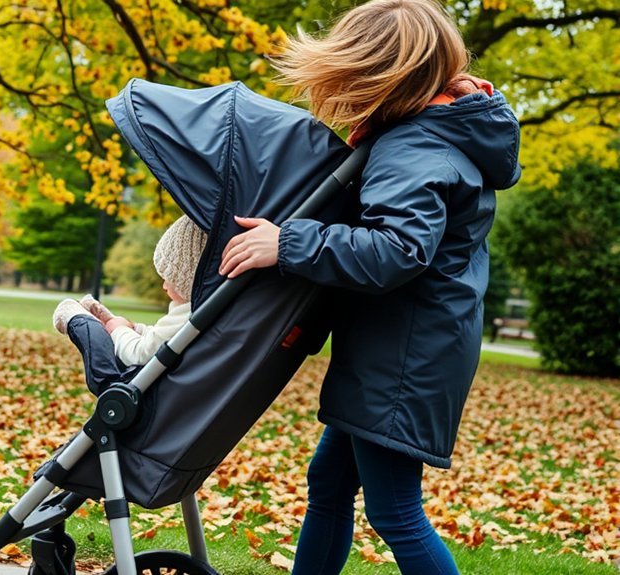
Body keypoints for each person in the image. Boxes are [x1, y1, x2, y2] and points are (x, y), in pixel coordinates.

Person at [217, 1, 521, 573]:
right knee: (329, 484)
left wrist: (288, 244)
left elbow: (396, 251)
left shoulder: (412, 146)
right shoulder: (442, 130)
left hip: (403, 361)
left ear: (383, 76)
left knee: (396, 512)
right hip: (409, 348)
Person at [52, 215, 207, 395]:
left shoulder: (190, 314)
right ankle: (104, 319)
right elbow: (163, 340)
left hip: (134, 387)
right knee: (115, 327)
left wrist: (117, 330)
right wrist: (135, 329)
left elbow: (139, 353)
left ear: (185, 280)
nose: (163, 285)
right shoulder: (197, 312)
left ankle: (77, 318)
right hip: (164, 383)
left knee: (100, 352)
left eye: (168, 278)